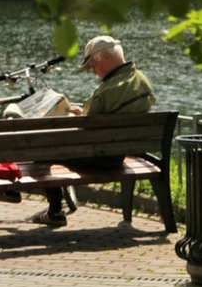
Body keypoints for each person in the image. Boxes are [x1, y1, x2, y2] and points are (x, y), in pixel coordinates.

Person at [26, 35, 156, 227]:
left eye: (93, 65)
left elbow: (86, 126)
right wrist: (83, 114)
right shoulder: (142, 81)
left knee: (42, 150)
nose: (94, 72)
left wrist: (71, 115)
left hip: (100, 158)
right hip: (119, 153)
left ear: (106, 58)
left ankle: (55, 210)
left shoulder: (108, 90)